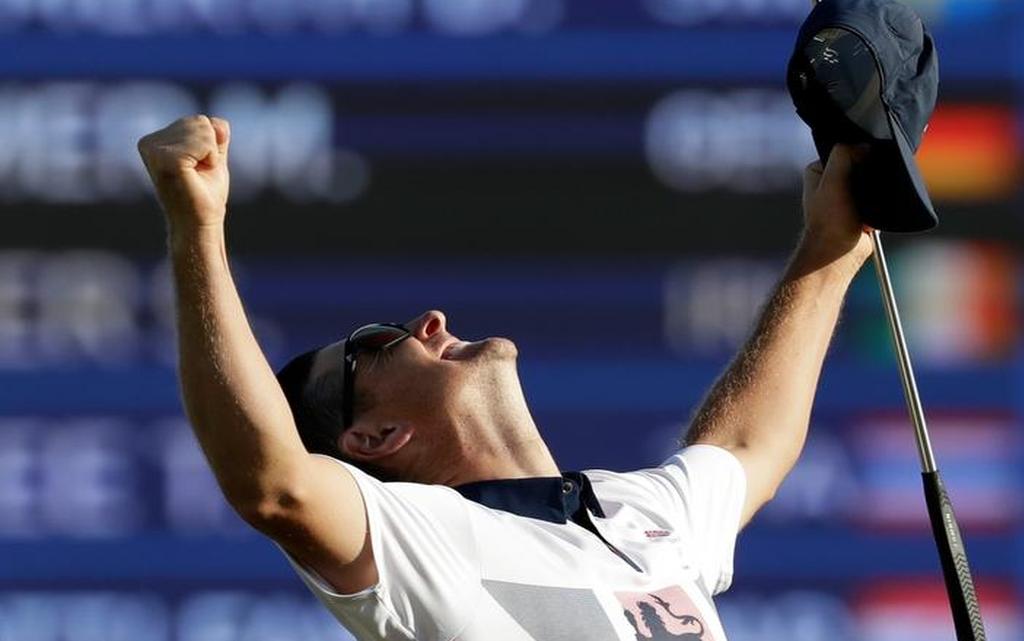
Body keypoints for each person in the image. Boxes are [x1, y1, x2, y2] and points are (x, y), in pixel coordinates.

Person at [137, 115, 873, 641]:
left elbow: (748, 443)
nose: (426, 318)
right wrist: (195, 228)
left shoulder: (633, 511)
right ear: (373, 435)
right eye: (379, 341)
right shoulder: (424, 541)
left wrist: (834, 243)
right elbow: (276, 484)